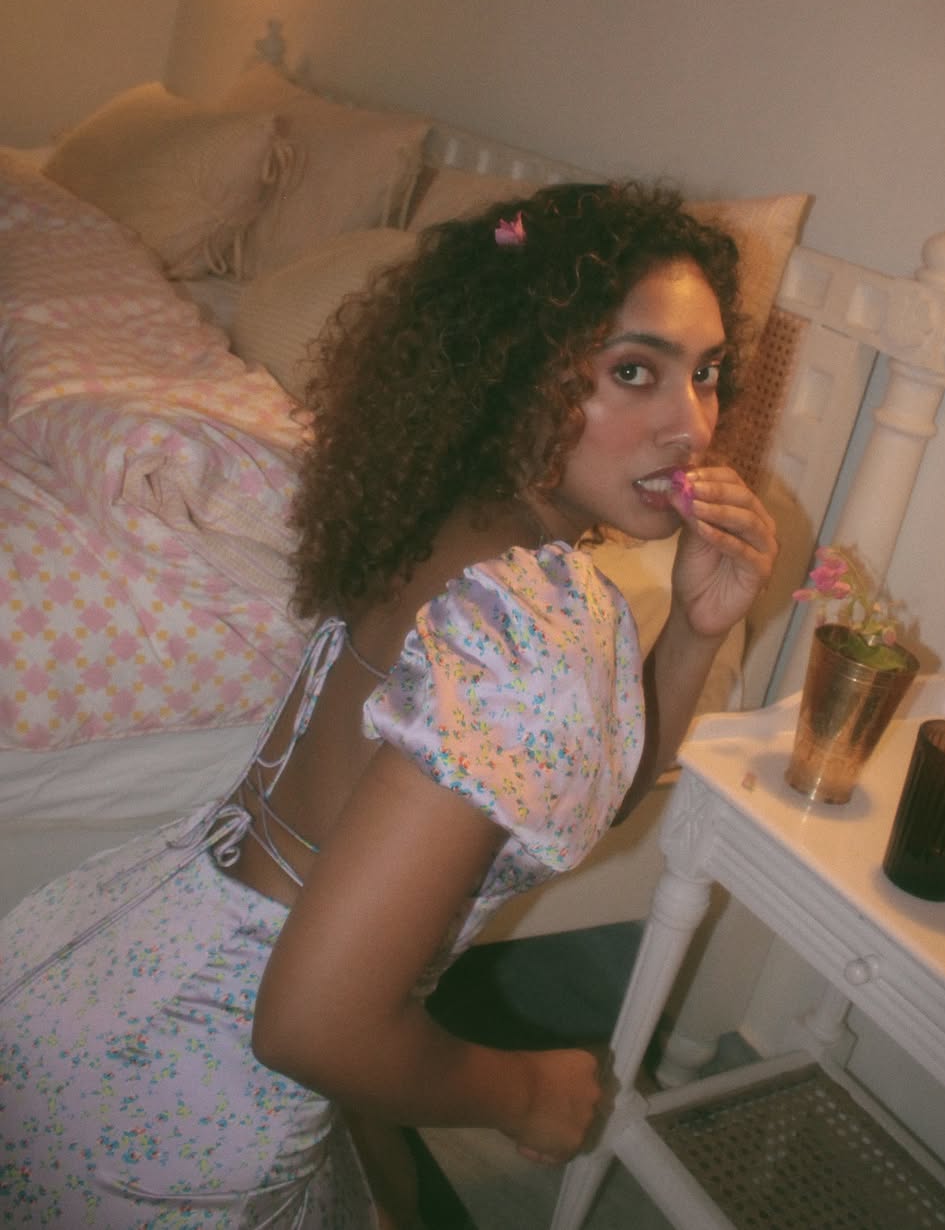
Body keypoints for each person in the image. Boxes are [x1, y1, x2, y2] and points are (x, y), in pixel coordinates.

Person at [0, 181, 778, 1228]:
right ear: (515, 369)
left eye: (707, 373)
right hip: (188, 1097)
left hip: (108, 965)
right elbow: (317, 1026)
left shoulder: (440, 520)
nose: (692, 425)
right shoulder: (537, 621)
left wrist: (693, 632)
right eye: (633, 371)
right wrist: (527, 1091)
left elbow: (556, 783)